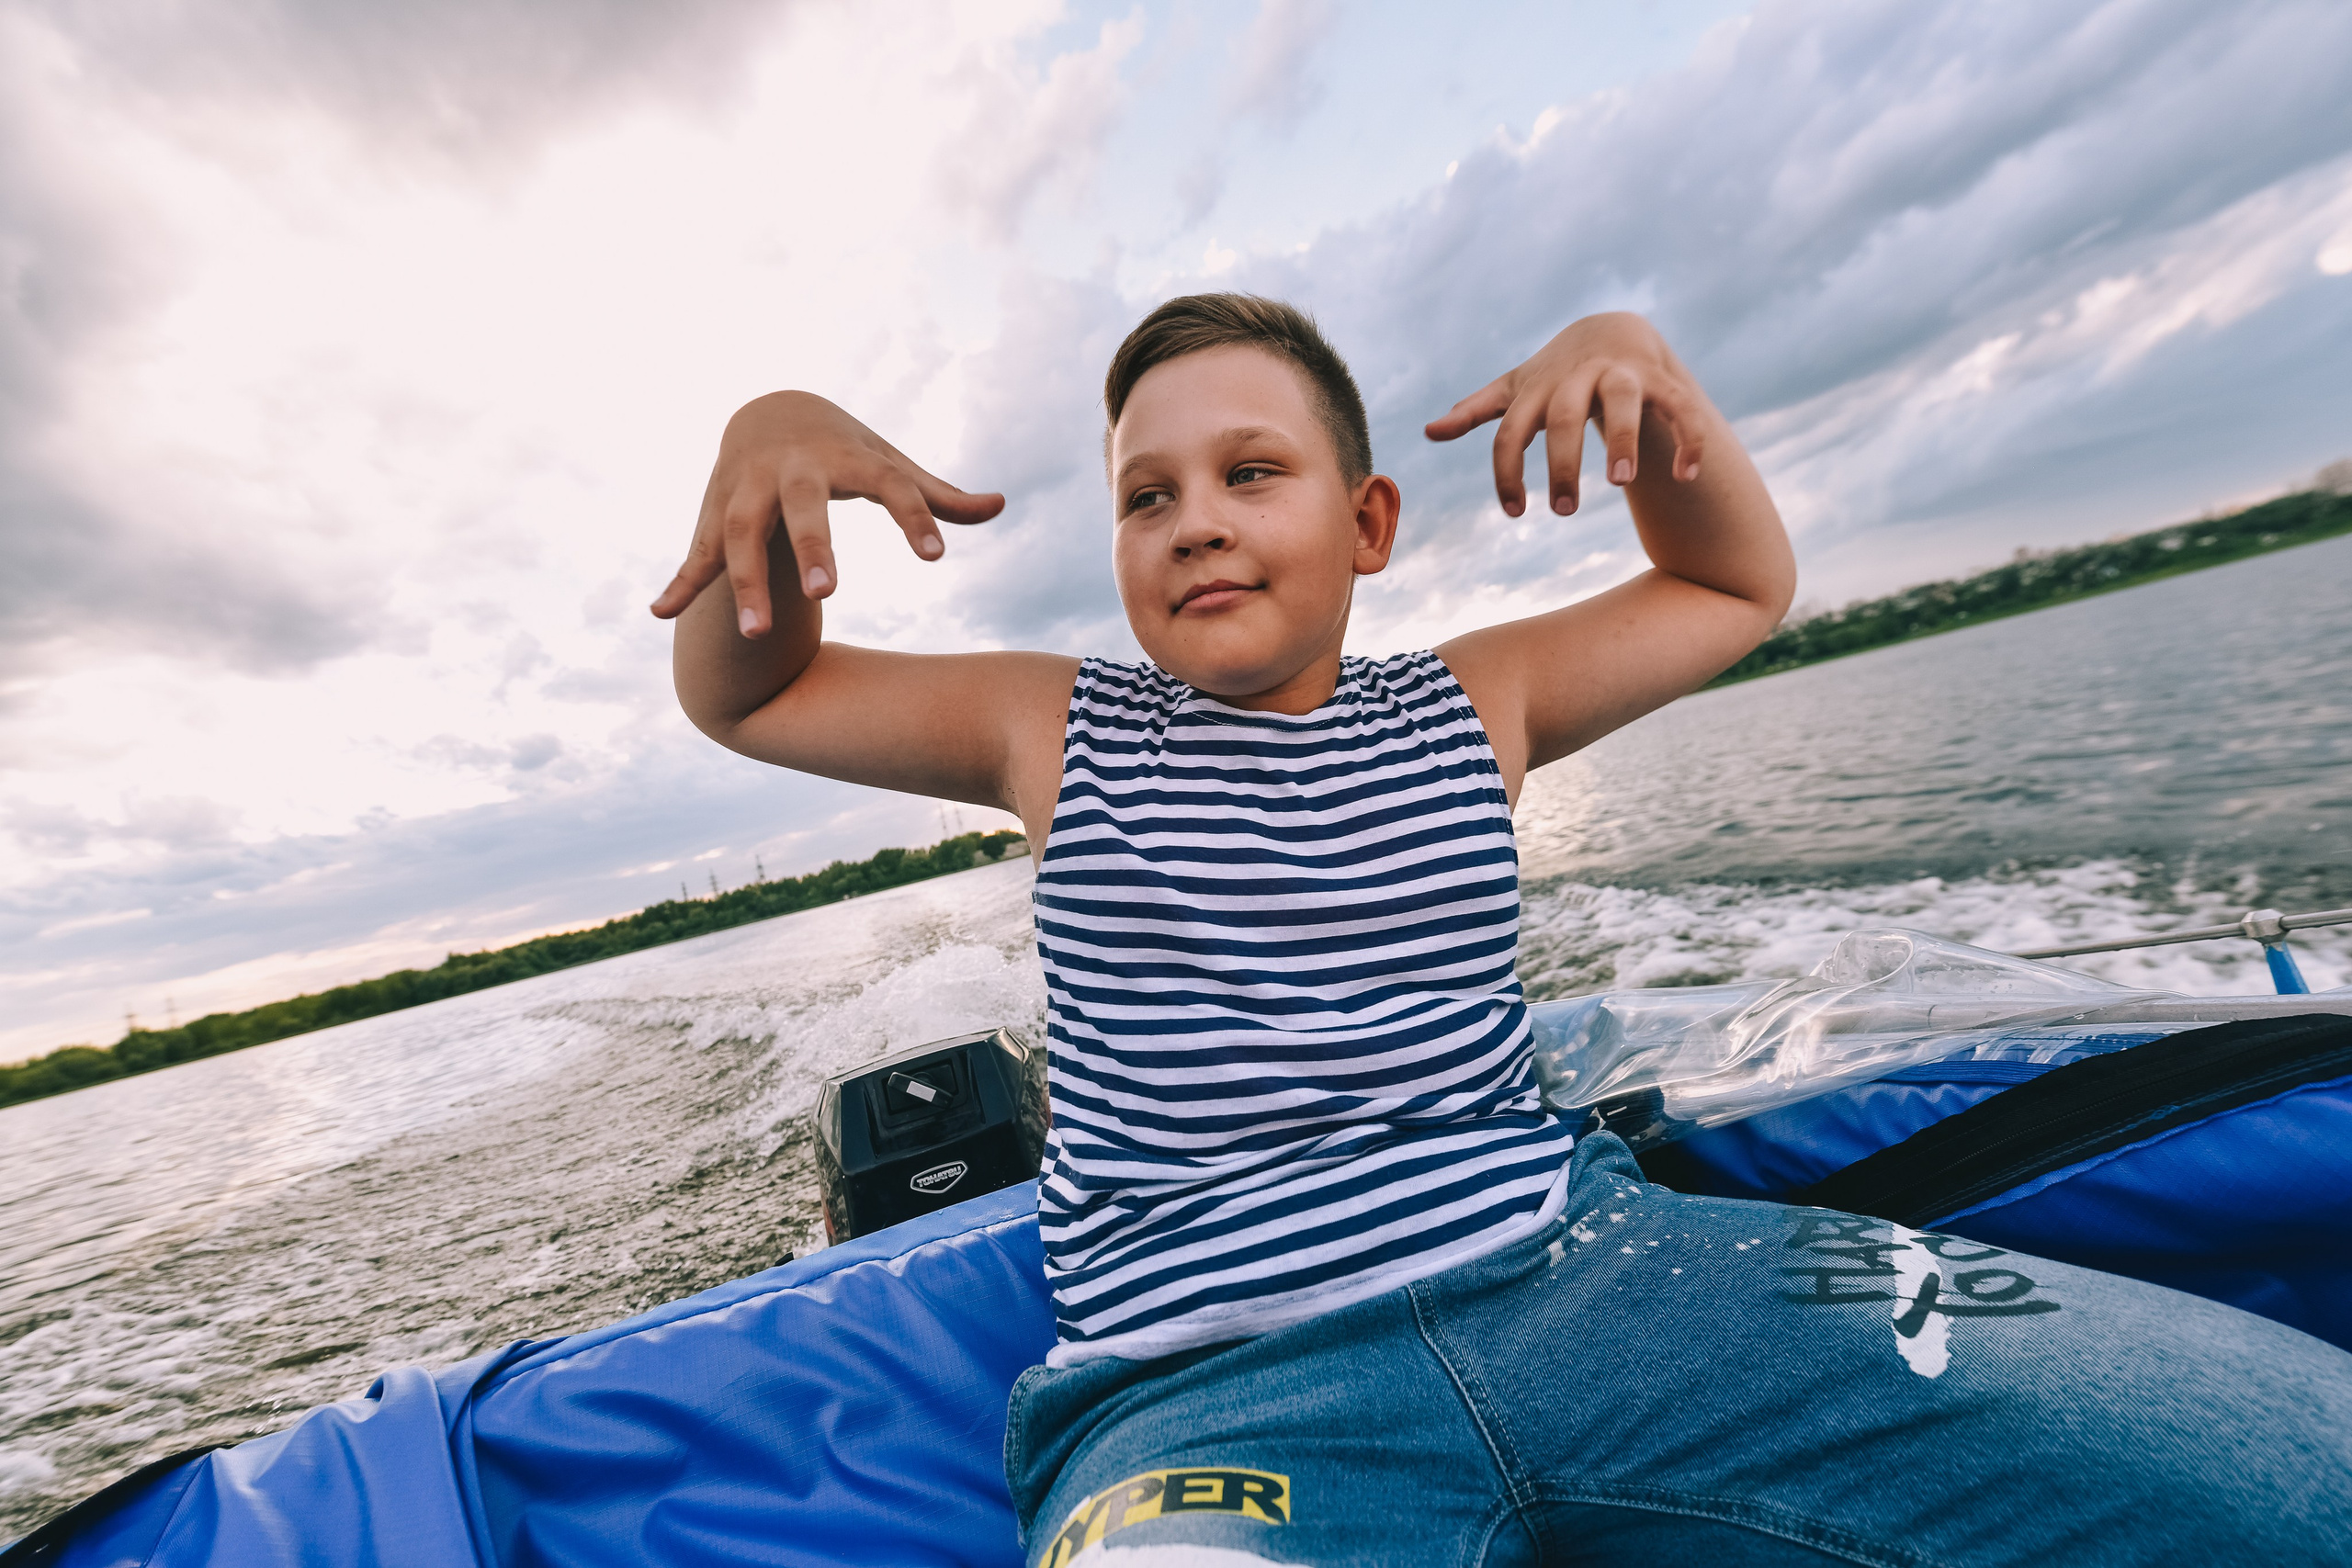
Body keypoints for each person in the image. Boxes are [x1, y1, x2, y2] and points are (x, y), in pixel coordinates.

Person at [653, 297, 2352, 1566]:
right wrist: (767, 432)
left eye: (1252, 471)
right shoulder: (1056, 725)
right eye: (1145, 496)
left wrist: (1649, 376)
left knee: (2288, 1464)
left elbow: (1730, 588)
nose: (1194, 520)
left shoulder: (1475, 702)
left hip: (1596, 1277)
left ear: (1369, 525)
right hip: (1207, 1398)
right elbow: (759, 693)